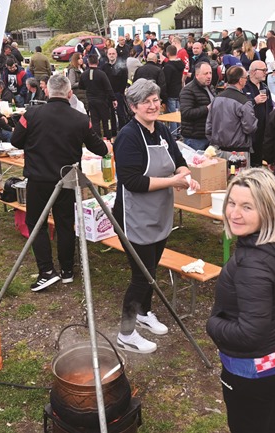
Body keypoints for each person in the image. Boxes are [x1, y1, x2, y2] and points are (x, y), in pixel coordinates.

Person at [207, 168, 275, 433]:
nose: (234, 213)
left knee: (246, 425)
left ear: (268, 210)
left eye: (247, 207)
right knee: (263, 421)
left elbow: (250, 332)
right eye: (232, 202)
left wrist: (213, 325)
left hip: (251, 366)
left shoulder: (254, 265)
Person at [113, 79, 199, 354]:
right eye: (145, 101)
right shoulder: (128, 135)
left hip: (159, 212)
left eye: (155, 100)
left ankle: (144, 313)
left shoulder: (161, 130)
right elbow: (132, 181)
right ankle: (126, 333)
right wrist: (174, 181)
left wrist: (186, 175)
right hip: (133, 217)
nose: (152, 105)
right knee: (141, 277)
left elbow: (178, 160)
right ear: (133, 106)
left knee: (151, 270)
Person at [10, 75, 110, 291]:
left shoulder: (32, 114)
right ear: (69, 94)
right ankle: (66, 271)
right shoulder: (80, 119)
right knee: (65, 224)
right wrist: (108, 147)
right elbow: (99, 148)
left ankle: (46, 270)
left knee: (37, 224)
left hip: (39, 179)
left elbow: (15, 140)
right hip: (67, 180)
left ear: (47, 91)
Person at [206, 66, 257, 165]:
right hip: (238, 152)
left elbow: (208, 126)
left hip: (217, 151)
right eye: (246, 78)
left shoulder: (216, 99)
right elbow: (250, 127)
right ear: (240, 80)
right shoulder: (244, 102)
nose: (246, 81)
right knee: (239, 180)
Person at [242, 61, 274, 167]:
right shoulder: (244, 87)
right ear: (254, 72)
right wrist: (254, 101)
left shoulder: (264, 87)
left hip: (263, 130)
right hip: (249, 131)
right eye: (264, 70)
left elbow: (270, 106)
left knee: (259, 160)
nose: (266, 72)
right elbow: (239, 106)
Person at [79, 54, 116, 140]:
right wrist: (113, 98)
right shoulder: (101, 74)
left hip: (91, 100)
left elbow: (81, 86)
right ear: (98, 62)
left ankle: (97, 139)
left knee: (95, 121)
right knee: (106, 120)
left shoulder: (84, 74)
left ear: (88, 63)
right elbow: (108, 88)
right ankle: (108, 138)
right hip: (102, 100)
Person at [180, 62, 214, 151]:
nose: (209, 76)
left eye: (210, 73)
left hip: (209, 136)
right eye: (206, 73)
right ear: (197, 75)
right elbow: (186, 113)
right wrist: (207, 109)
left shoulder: (210, 88)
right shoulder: (188, 90)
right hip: (195, 138)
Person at [102, 47, 129, 136]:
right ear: (107, 55)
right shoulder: (104, 67)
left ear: (116, 54)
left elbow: (124, 80)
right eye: (110, 54)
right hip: (108, 94)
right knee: (110, 115)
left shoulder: (122, 67)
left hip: (118, 93)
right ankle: (112, 132)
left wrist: (120, 92)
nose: (111, 55)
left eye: (113, 54)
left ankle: (122, 132)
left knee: (121, 114)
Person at [163, 45, 185, 136]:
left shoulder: (168, 66)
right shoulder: (181, 64)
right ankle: (180, 131)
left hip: (171, 93)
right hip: (179, 91)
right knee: (179, 115)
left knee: (172, 116)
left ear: (167, 53)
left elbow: (166, 81)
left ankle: (173, 134)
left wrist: (163, 94)